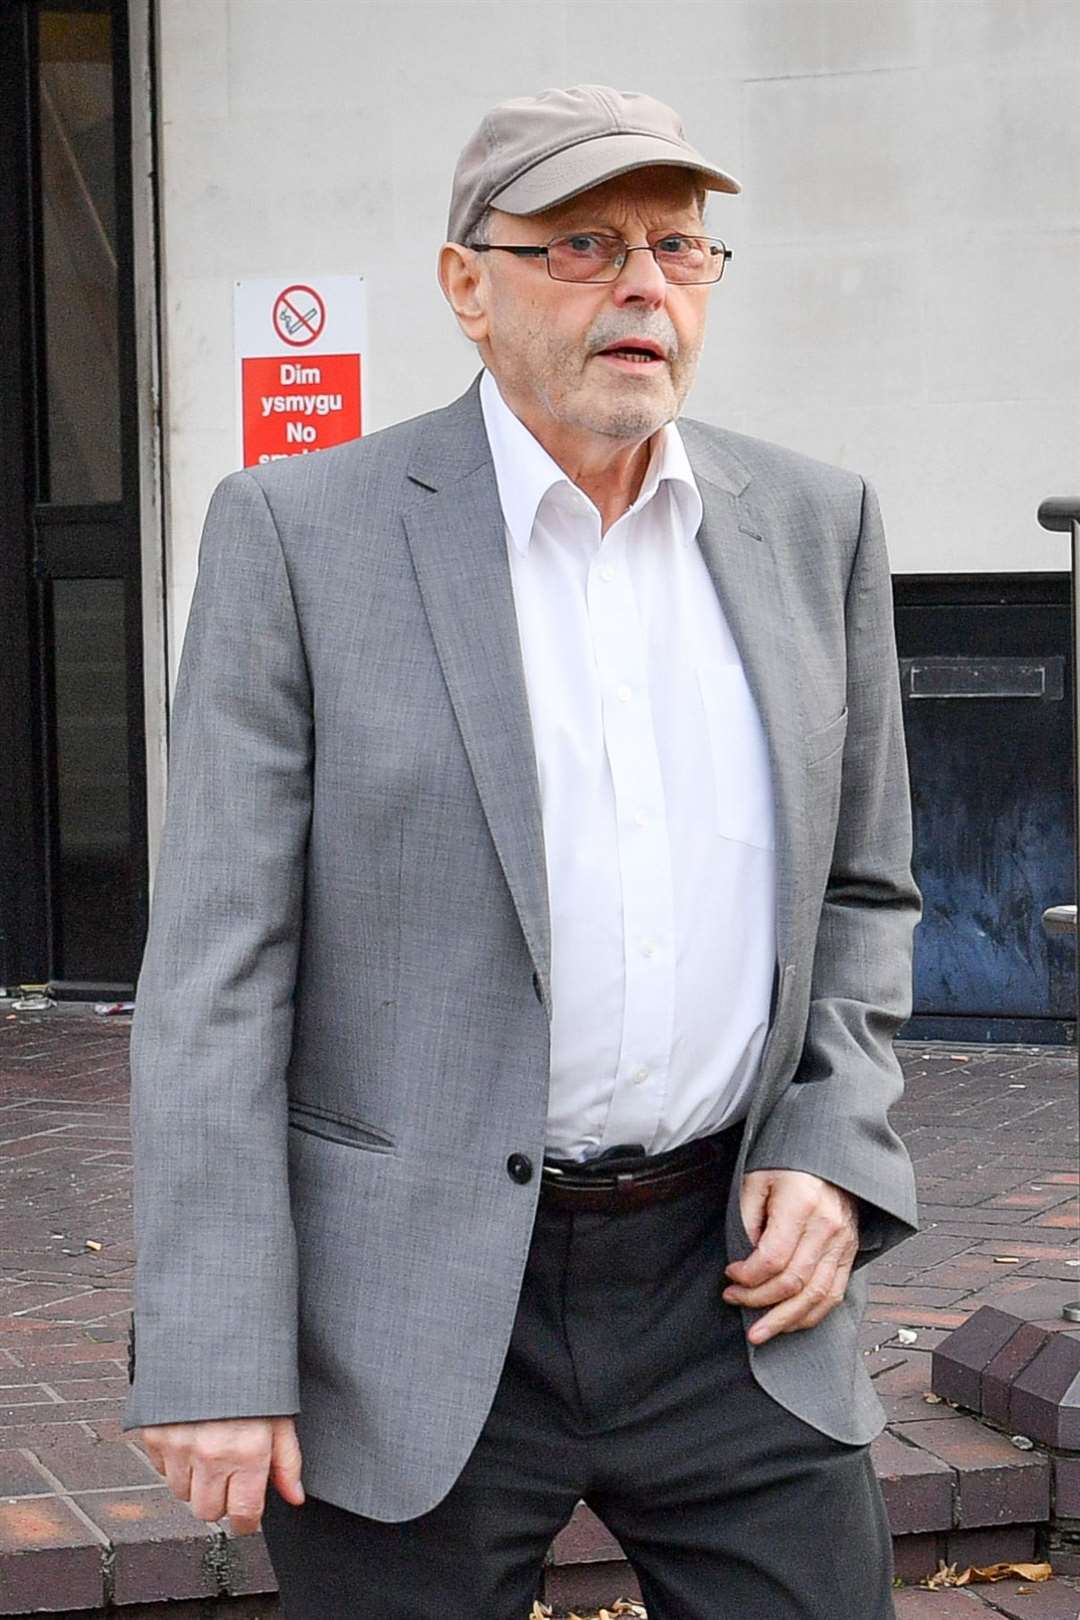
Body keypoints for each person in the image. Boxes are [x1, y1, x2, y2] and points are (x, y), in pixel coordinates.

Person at [122, 84, 922, 1620]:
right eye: (583, 246)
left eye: (682, 248)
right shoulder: (302, 534)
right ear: (467, 284)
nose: (644, 286)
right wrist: (219, 1343)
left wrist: (834, 1145)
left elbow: (863, 891)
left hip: (725, 1291)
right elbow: (220, 972)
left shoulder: (816, 524)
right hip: (407, 1302)